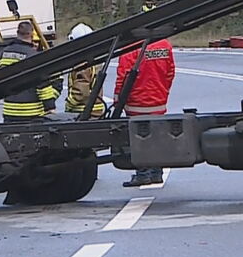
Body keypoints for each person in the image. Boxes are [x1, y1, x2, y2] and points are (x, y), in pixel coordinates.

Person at [114, 38, 176, 187]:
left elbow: (123, 76)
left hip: (137, 103)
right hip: (159, 101)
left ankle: (143, 173)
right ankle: (156, 172)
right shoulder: (164, 45)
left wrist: (118, 99)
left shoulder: (131, 47)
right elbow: (170, 72)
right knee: (157, 136)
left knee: (140, 139)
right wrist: (163, 91)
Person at [0, 21, 61, 120]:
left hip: (9, 111)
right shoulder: (33, 56)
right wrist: (50, 106)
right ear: (31, 34)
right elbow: (42, 84)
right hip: (31, 112)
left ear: (17, 33)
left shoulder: (5, 52)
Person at [64, 23, 106, 119]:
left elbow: (81, 92)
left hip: (83, 112)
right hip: (96, 111)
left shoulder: (82, 63)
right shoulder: (95, 58)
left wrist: (69, 103)